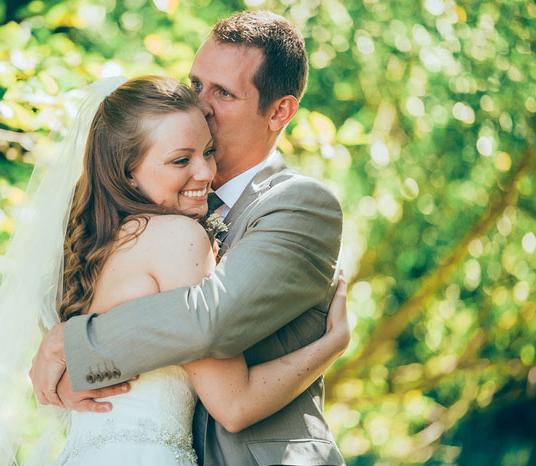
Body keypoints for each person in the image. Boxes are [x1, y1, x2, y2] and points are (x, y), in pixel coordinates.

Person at [31, 10, 347, 466]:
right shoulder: (146, 214)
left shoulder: (300, 205)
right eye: (196, 84)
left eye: (223, 92)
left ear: (280, 111)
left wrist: (72, 345)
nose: (200, 104)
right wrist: (68, 369)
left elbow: (210, 320)